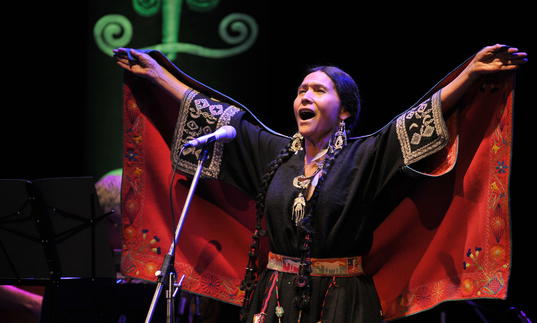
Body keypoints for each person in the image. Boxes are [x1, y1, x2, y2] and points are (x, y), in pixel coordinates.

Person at [113, 44, 527, 322]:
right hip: (274, 296)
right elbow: (214, 114)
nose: (304, 97)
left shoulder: (365, 157)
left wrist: (471, 74)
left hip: (343, 300)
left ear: (344, 111)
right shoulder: (271, 154)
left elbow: (419, 118)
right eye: (300, 90)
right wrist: (156, 76)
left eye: (317, 90)